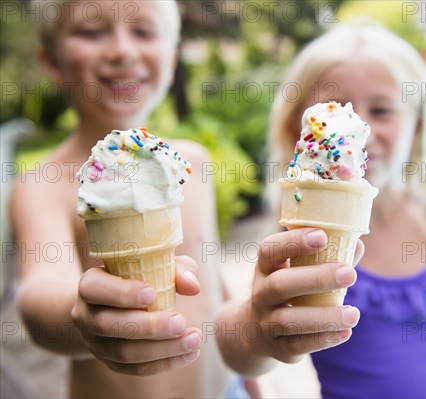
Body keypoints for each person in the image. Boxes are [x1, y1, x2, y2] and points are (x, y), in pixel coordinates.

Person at [11, 1, 362, 397]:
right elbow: (39, 297)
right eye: (92, 32)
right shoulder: (42, 183)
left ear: (172, 56)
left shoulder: (191, 163)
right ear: (51, 60)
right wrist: (81, 319)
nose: (122, 50)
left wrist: (253, 362)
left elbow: (213, 294)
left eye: (144, 32)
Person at [265, 22, 426, 398]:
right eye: (331, 117)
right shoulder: (304, 242)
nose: (360, 132)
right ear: (294, 130)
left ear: (418, 124)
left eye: (381, 110)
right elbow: (257, 347)